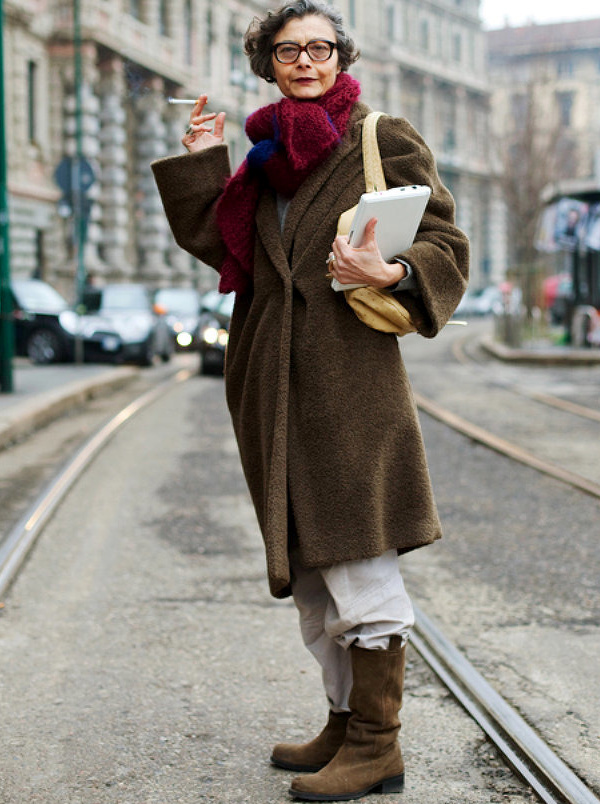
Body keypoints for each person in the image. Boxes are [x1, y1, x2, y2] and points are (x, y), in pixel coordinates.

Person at [152, 1, 469, 800]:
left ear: (339, 56)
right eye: (288, 49)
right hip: (273, 388)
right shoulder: (263, 157)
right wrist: (204, 160)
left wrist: (393, 275)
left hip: (351, 386)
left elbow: (445, 243)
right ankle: (340, 721)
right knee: (313, 576)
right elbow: (226, 250)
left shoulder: (379, 136)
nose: (305, 60)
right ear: (267, 63)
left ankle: (378, 743)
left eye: (320, 47)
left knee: (360, 561)